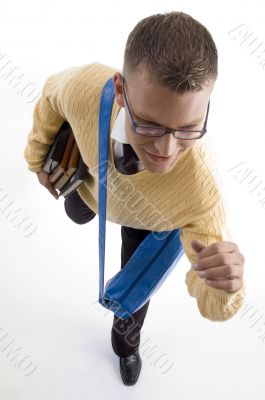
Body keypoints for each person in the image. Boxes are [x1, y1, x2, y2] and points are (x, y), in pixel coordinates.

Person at [23, 11, 246, 386]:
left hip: (150, 223)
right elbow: (50, 94)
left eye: (188, 129)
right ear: (121, 89)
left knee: (136, 283)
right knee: (77, 210)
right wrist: (36, 158)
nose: (166, 150)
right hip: (92, 187)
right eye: (150, 124)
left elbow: (211, 304)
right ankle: (82, 204)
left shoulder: (199, 191)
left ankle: (125, 346)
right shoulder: (84, 89)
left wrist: (223, 288)